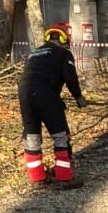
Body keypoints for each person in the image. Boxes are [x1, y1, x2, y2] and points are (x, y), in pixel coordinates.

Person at [18, 24, 87, 186]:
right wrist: (78, 96)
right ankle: (64, 177)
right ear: (64, 39)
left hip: (24, 93)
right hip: (46, 94)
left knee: (32, 135)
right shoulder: (63, 53)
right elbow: (70, 77)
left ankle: (37, 178)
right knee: (60, 135)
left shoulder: (34, 53)